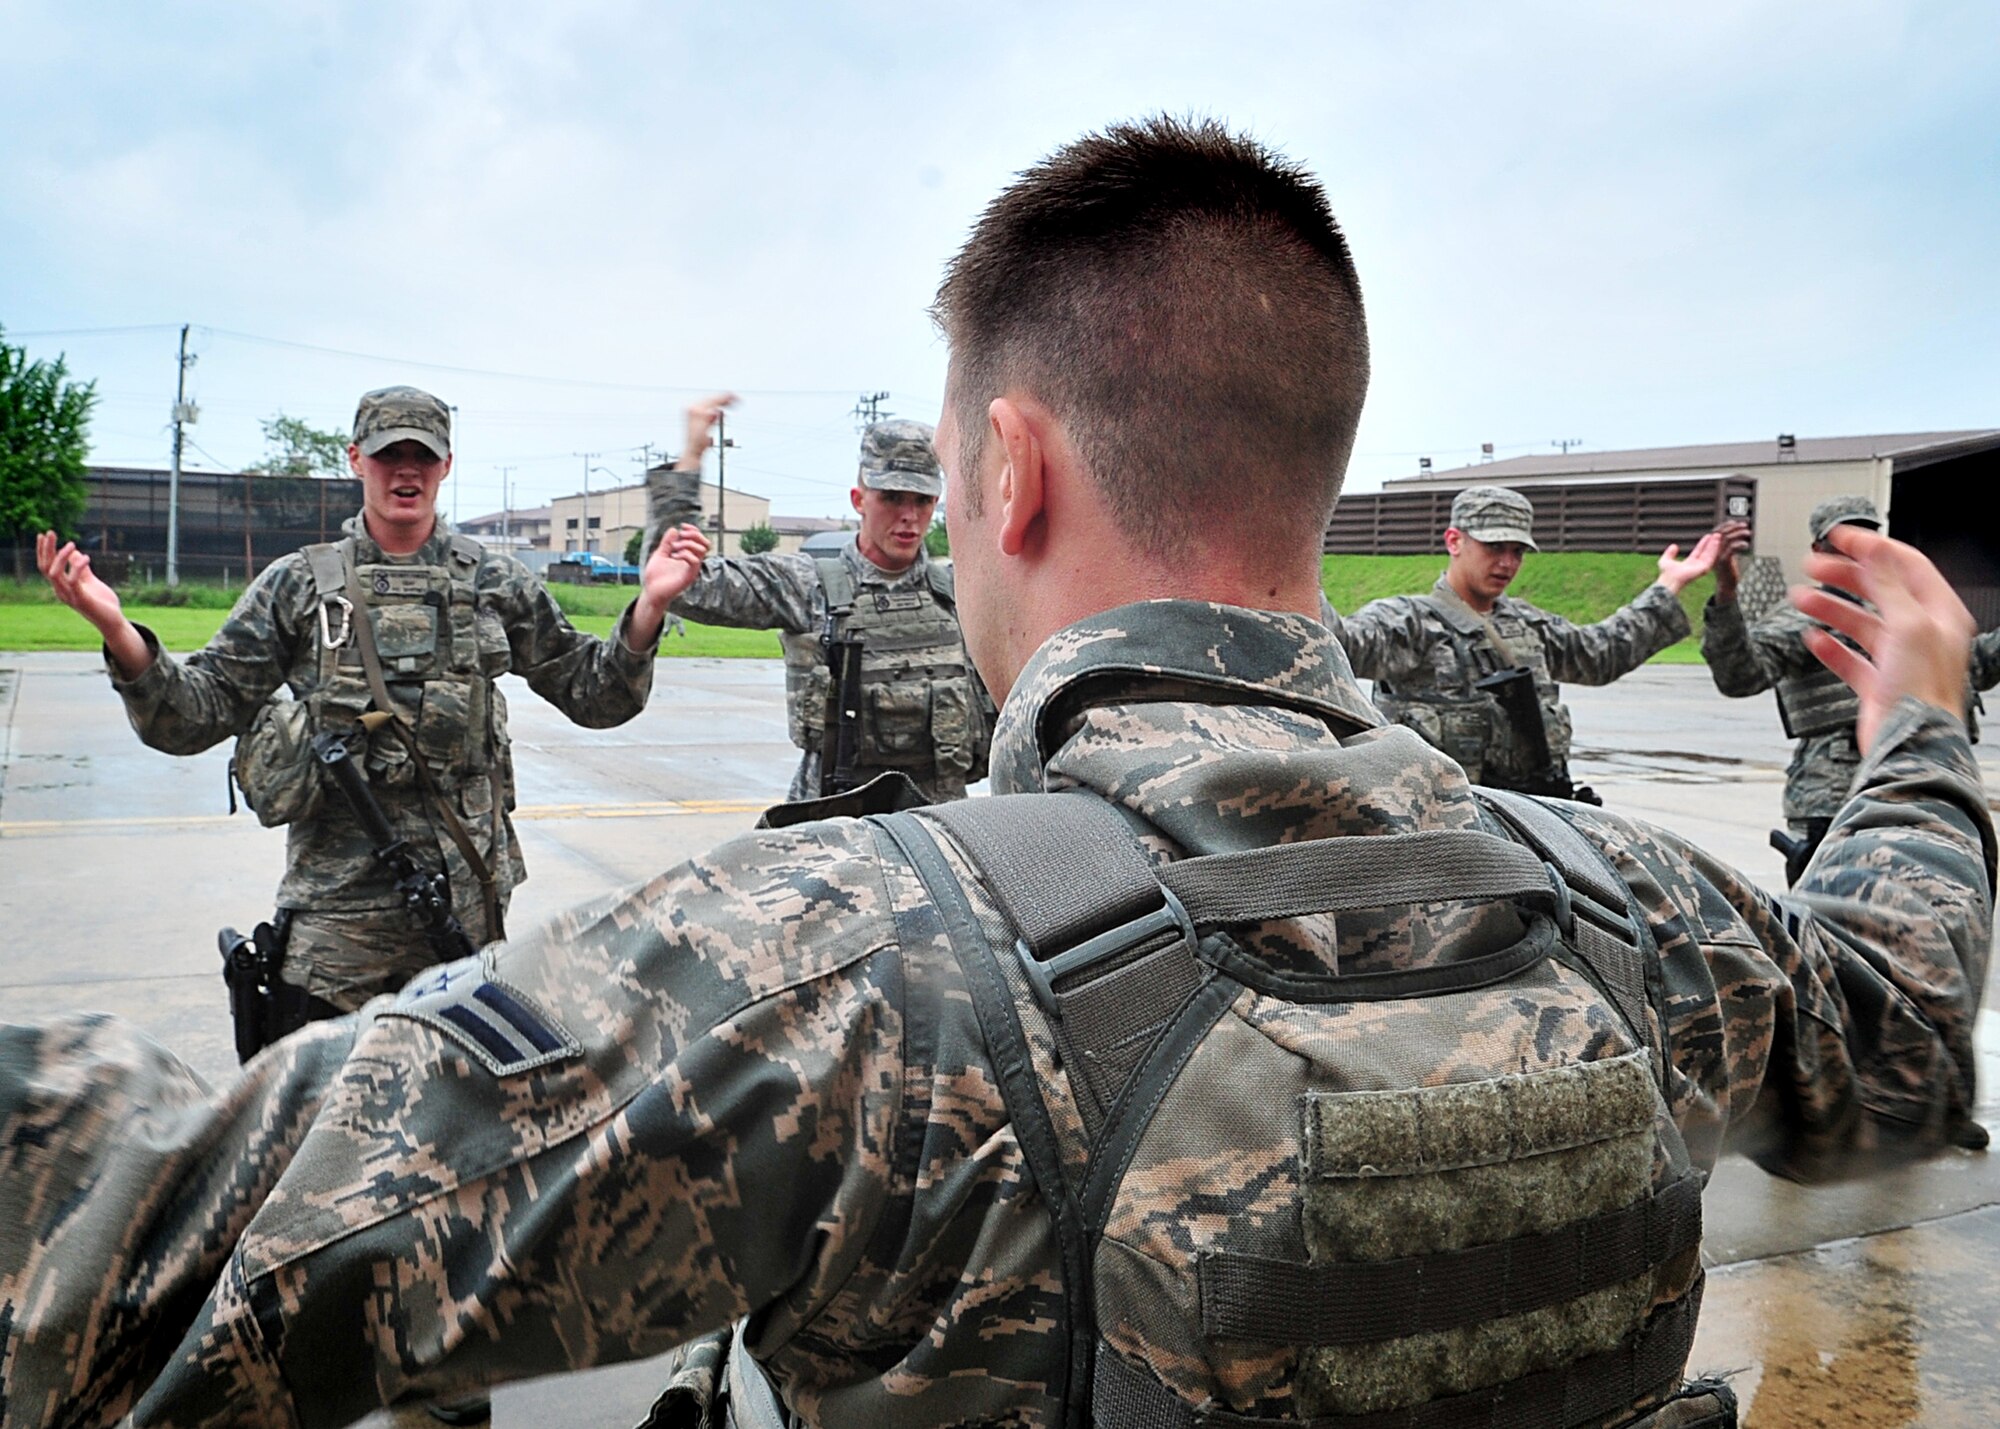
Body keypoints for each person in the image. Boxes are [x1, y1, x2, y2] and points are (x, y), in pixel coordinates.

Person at [2, 120, 1991, 1429]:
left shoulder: (829, 976)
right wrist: (1919, 731)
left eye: (939, 479)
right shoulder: (1632, 911)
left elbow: (148, 1248)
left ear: (1011, 472)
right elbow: (1898, 1034)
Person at [32, 385, 684, 1022]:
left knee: (458, 1123)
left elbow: (593, 693)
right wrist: (117, 629)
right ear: (354, 459)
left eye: (424, 455)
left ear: (447, 466)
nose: (407, 469)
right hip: (335, 932)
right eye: (387, 453)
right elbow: (195, 712)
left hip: (464, 918)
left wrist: (649, 606)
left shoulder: (495, 582)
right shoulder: (297, 586)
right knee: (323, 1122)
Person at [656, 405, 992, 803]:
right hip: (834, 818)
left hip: (935, 825)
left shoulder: (960, 590)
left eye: (922, 500)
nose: (909, 516)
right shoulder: (807, 584)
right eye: (892, 497)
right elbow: (677, 584)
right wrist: (688, 465)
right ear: (858, 499)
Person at [1329, 484, 1726, 801]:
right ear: (1454, 541)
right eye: (1494, 547)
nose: (1507, 563)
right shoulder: (1411, 623)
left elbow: (1602, 654)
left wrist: (1669, 585)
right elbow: (1342, 644)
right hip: (1443, 831)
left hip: (1532, 820)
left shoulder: (1528, 624)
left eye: (1517, 551)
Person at [1703, 497, 2000, 884]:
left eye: (1865, 535)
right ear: (1818, 549)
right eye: (1841, 539)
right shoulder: (1805, 615)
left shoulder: (1907, 612)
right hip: (1834, 795)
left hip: (1924, 787)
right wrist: (1726, 597)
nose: (1855, 547)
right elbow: (1739, 676)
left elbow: (1973, 665)